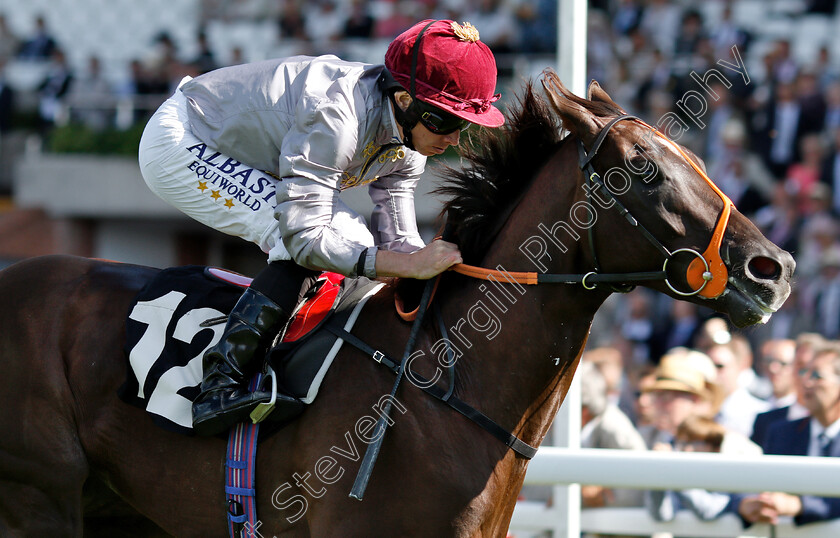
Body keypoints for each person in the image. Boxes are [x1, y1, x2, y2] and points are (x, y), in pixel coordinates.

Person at [138, 19, 505, 436]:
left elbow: (399, 243)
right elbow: (305, 239)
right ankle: (218, 386)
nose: (456, 139)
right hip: (183, 140)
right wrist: (403, 265)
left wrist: (430, 272)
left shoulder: (408, 140)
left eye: (466, 124)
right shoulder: (338, 116)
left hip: (248, 150)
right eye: (446, 121)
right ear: (404, 99)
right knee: (310, 239)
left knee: (357, 243)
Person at [736, 342, 840, 526]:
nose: (806, 382)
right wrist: (747, 503)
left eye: (817, 375)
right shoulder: (781, 432)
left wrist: (798, 505)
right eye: (804, 373)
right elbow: (755, 482)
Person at [646, 415, 733, 522]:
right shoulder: (676, 470)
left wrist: (674, 472)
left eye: (695, 443)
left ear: (715, 448)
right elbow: (662, 515)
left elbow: (710, 511)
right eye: (683, 443)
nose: (687, 449)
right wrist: (660, 472)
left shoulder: (724, 472)